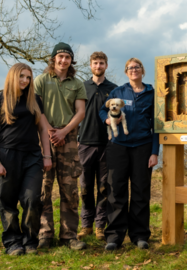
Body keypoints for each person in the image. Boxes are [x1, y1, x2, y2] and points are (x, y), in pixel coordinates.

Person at [0, 63, 52, 255]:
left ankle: (30, 240)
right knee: (7, 200)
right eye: (21, 76)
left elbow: (43, 129)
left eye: (28, 77)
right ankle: (13, 242)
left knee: (32, 199)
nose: (25, 80)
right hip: (7, 155)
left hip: (32, 156)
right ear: (13, 77)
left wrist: (46, 156)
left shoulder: (35, 101)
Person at [99, 57, 159, 251]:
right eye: (130, 68)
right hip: (118, 146)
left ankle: (140, 235)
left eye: (137, 67)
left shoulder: (152, 93)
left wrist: (154, 152)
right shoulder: (118, 91)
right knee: (116, 190)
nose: (134, 70)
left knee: (141, 191)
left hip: (143, 146)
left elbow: (157, 126)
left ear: (142, 70)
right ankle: (114, 236)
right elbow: (102, 111)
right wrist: (107, 121)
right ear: (126, 72)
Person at [34, 42, 88, 250]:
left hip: (69, 139)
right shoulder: (41, 80)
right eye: (60, 56)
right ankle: (45, 234)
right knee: (43, 188)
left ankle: (69, 236)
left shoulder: (77, 83)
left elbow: (80, 112)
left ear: (71, 60)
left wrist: (64, 132)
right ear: (53, 58)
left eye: (67, 57)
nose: (63, 60)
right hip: (44, 137)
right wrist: (50, 132)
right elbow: (38, 110)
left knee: (69, 190)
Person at [77, 52, 118, 241]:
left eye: (102, 63)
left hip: (106, 145)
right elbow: (73, 113)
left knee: (103, 188)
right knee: (85, 187)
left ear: (106, 66)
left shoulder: (114, 89)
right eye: (95, 63)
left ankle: (100, 225)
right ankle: (86, 224)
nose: (98, 65)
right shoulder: (81, 87)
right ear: (90, 65)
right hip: (84, 143)